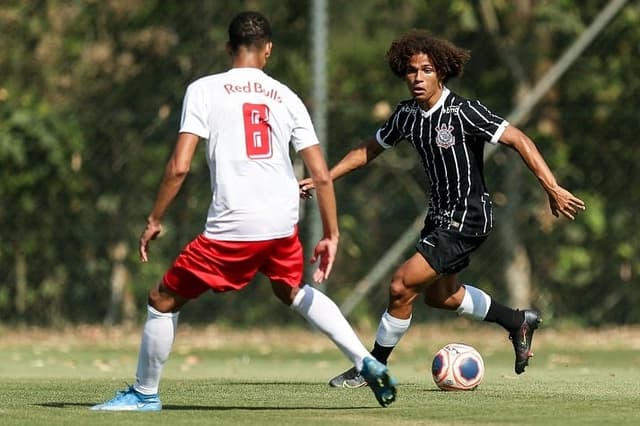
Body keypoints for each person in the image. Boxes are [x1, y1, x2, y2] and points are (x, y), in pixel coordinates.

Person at [91, 11, 397, 411]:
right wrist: (331, 234)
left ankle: (144, 394)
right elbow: (321, 174)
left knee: (162, 299)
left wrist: (154, 219)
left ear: (228, 47)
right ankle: (365, 359)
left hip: (234, 224)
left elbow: (180, 165)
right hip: (283, 220)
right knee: (289, 288)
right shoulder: (287, 97)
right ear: (268, 49)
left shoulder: (203, 90)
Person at [299, 29, 586, 388]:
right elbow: (368, 149)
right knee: (442, 296)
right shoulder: (406, 115)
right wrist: (325, 177)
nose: (418, 77)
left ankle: (372, 367)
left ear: (442, 73)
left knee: (401, 285)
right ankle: (517, 321)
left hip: (468, 216)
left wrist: (552, 186)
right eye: (411, 70)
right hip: (438, 217)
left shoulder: (463, 112)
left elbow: (518, 138)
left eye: (427, 70)